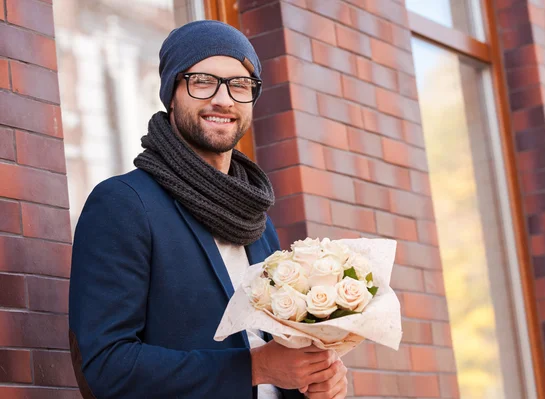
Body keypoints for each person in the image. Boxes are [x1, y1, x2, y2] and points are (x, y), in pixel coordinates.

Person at [68, 20, 348, 399]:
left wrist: (316, 379)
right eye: (202, 81)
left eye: (240, 85)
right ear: (171, 94)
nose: (224, 99)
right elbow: (107, 366)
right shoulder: (124, 204)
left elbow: (275, 360)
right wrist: (255, 366)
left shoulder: (257, 222)